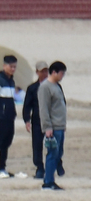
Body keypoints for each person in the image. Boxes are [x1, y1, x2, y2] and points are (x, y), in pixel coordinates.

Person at [25, 60, 58, 180]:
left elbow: (60, 103)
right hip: (37, 120)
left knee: (54, 145)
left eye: (46, 71)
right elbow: (27, 105)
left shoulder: (54, 86)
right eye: (42, 71)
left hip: (51, 120)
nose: (44, 73)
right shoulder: (32, 88)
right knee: (37, 145)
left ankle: (54, 166)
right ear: (37, 72)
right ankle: (39, 167)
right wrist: (26, 120)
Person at [38, 61, 67, 191]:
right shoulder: (45, 87)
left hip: (60, 126)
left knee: (58, 153)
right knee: (52, 154)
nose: (62, 76)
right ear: (54, 72)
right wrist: (47, 127)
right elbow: (44, 109)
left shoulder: (57, 86)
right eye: (61, 73)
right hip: (53, 127)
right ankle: (48, 181)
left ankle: (51, 179)